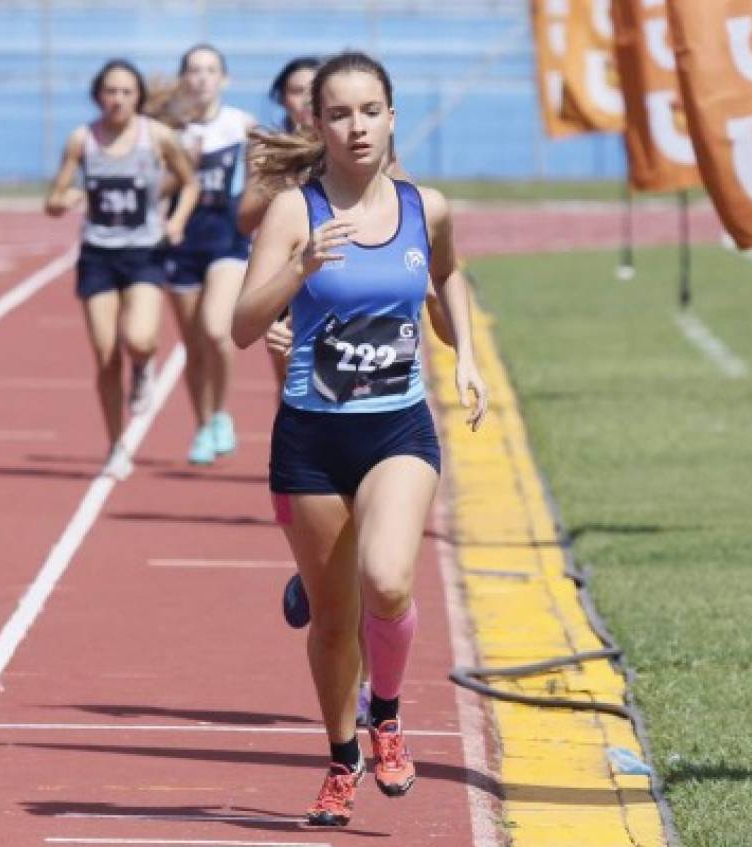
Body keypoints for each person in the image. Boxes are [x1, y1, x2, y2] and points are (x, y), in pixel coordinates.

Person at [231, 51, 487, 827]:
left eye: (369, 110)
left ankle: (388, 713)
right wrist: (300, 267)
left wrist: (464, 352)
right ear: (318, 123)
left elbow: (446, 276)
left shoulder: (425, 206)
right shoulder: (292, 212)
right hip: (311, 440)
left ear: (391, 116)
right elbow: (243, 326)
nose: (356, 126)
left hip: (397, 429)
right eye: (338, 113)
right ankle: (341, 761)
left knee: (390, 579)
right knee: (335, 618)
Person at [45, 59, 199, 480]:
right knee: (104, 353)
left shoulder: (158, 137)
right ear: (98, 95)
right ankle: (116, 445)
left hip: (144, 252)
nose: (118, 99)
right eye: (110, 91)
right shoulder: (83, 140)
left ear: (138, 97)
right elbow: (52, 199)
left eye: (127, 92)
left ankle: (144, 367)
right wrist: (65, 200)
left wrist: (178, 220)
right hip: (98, 255)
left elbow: (190, 181)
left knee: (140, 337)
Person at [160, 44, 256, 465]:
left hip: (228, 241)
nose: (201, 78)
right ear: (183, 78)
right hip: (182, 243)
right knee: (193, 346)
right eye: (194, 71)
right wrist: (186, 167)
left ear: (224, 79)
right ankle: (203, 424)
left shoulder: (241, 126)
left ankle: (220, 416)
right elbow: (154, 192)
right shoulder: (170, 132)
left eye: (210, 70)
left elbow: (261, 182)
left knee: (217, 331)